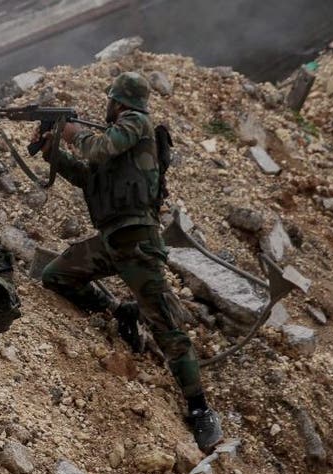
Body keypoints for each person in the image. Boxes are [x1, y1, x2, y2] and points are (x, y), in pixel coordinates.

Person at [36, 72, 223, 453]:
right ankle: (119, 309)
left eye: (110, 100)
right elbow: (87, 177)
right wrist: (51, 151)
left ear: (118, 102)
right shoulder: (116, 147)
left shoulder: (135, 125)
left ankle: (201, 410)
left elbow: (95, 150)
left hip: (138, 243)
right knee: (56, 275)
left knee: (167, 328)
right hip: (111, 241)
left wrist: (70, 133)